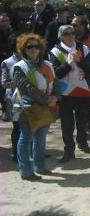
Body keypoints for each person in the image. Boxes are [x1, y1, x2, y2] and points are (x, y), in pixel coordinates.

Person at [11, 33, 60, 181]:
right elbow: (26, 88)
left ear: (40, 48)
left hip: (46, 107)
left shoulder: (48, 65)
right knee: (26, 138)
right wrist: (47, 99)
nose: (33, 49)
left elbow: (56, 84)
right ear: (23, 49)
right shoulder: (19, 67)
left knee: (41, 138)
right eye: (29, 46)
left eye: (36, 46)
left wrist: (56, 97)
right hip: (27, 108)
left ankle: (40, 166)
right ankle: (26, 171)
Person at [49, 25, 90, 164]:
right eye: (66, 33)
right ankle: (69, 150)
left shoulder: (83, 48)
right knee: (67, 124)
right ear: (60, 36)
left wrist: (80, 61)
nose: (70, 36)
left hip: (83, 90)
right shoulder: (55, 51)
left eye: (72, 33)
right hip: (65, 93)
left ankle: (83, 143)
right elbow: (56, 73)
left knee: (82, 121)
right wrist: (68, 64)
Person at [1, 35, 21, 161]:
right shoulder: (7, 63)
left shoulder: (34, 60)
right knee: (18, 126)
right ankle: (16, 152)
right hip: (14, 99)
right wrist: (21, 82)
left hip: (31, 97)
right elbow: (4, 82)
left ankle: (33, 150)